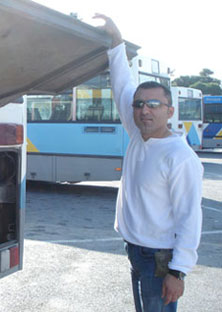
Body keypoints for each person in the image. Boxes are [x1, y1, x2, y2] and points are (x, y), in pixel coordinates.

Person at [93, 14, 204, 312]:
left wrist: (177, 272)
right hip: (137, 253)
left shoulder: (179, 157)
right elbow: (122, 87)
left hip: (160, 260)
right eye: (140, 105)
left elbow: (189, 218)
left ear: (169, 111)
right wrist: (116, 44)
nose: (145, 110)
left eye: (154, 105)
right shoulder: (139, 134)